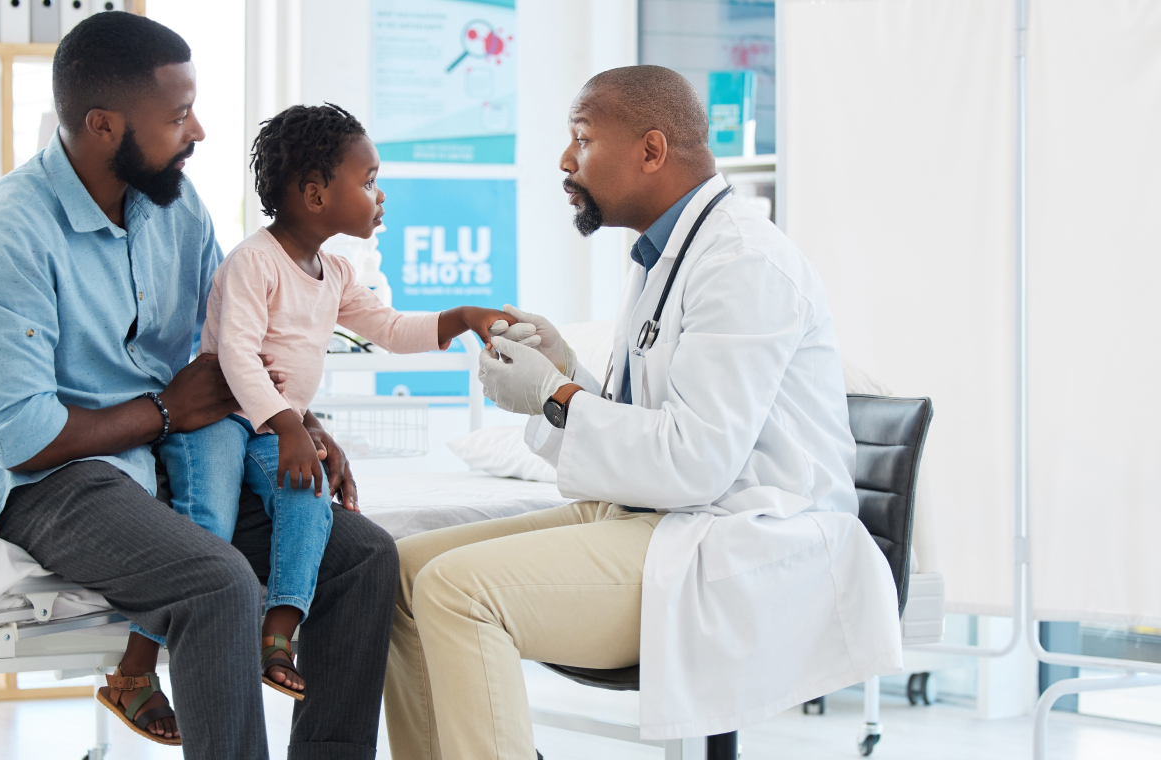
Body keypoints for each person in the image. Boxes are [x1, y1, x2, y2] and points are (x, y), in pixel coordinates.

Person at [383, 66, 903, 759]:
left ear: (651, 150)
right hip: (661, 514)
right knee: (401, 571)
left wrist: (555, 396)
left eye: (582, 139)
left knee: (455, 590)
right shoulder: (663, 255)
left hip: (737, 540)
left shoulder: (745, 262)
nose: (566, 161)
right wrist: (568, 370)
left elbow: (697, 460)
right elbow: (649, 423)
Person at [0, 13, 398, 758]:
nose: (200, 132)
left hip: (172, 452)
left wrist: (296, 423)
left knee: (364, 557)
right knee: (217, 582)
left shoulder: (175, 208)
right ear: (102, 124)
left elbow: (227, 349)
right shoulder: (11, 231)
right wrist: (163, 411)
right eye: (179, 116)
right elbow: (21, 441)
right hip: (49, 478)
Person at [151, 103, 514, 700]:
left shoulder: (336, 273)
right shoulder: (252, 263)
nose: (379, 195)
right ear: (315, 195)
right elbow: (237, 358)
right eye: (369, 181)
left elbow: (392, 328)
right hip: (217, 421)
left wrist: (464, 315)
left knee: (309, 496)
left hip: (270, 427)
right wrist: (291, 426)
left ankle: (279, 629)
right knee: (207, 525)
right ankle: (148, 650)